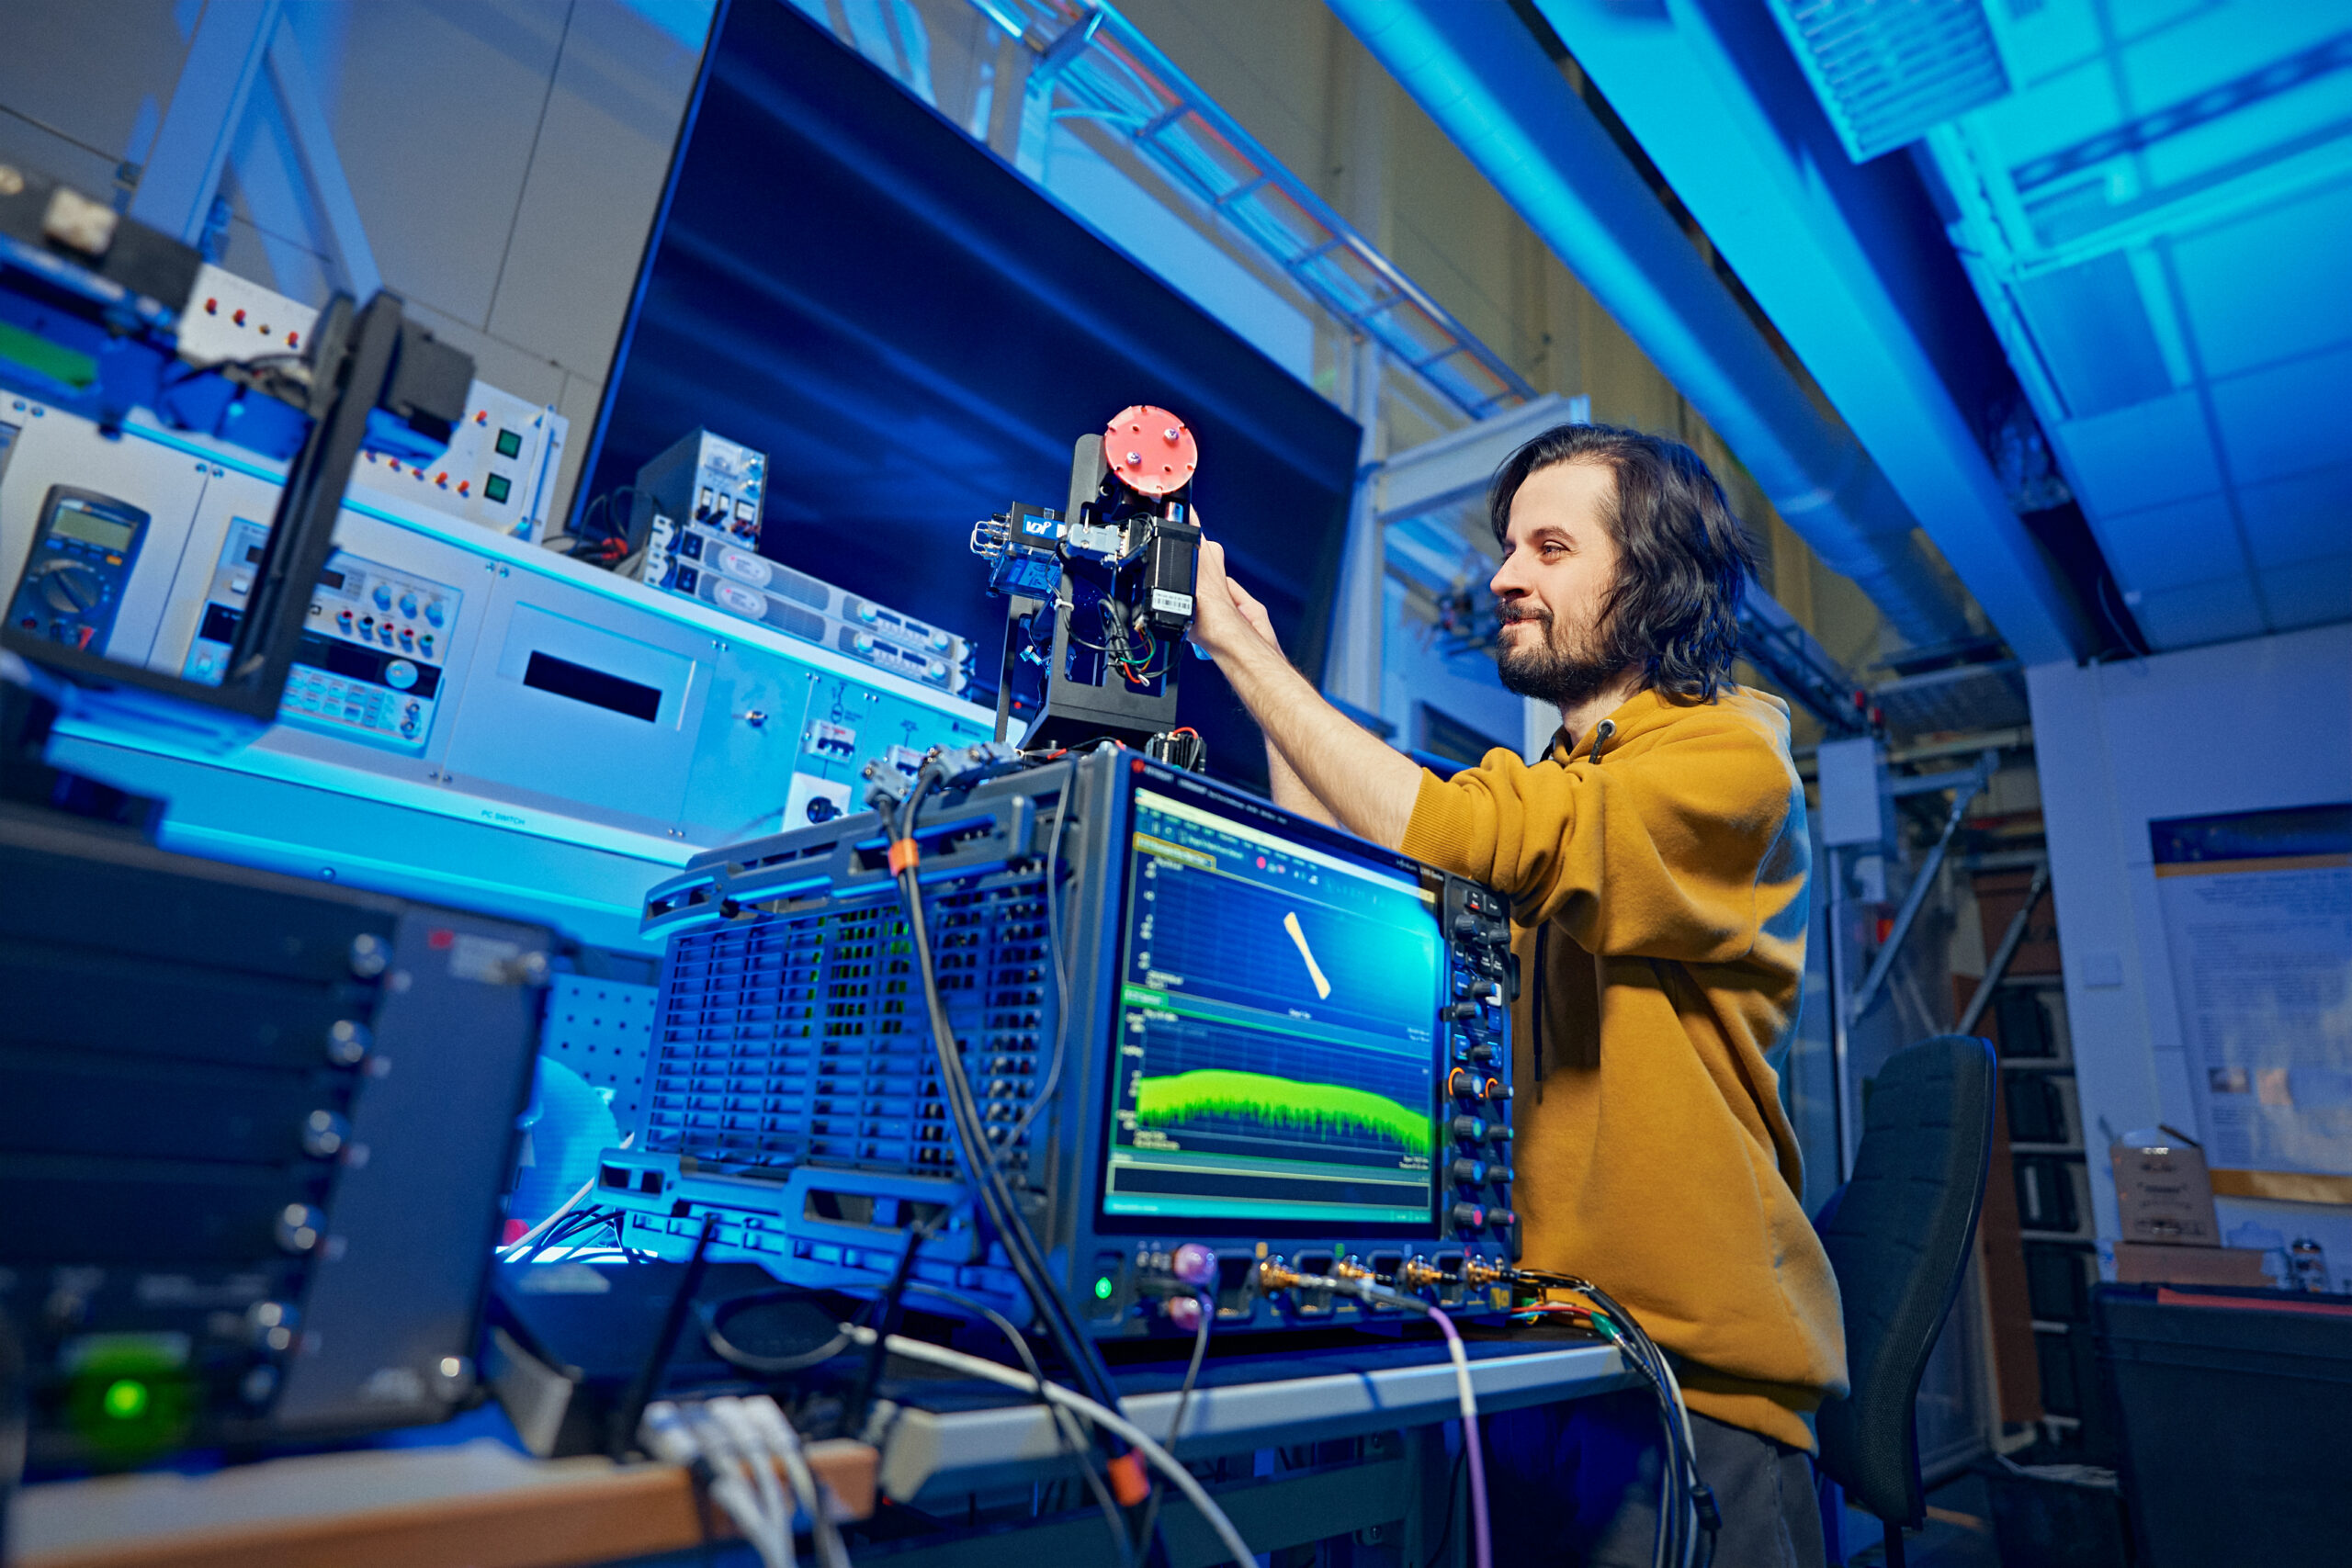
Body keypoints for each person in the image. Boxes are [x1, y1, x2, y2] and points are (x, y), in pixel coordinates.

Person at [1184, 422, 1844, 1567]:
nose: (1502, 575)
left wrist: (1256, 663)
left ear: (1650, 581)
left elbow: (1473, 839)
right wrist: (1249, 656)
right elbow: (1379, 863)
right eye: (1507, 546)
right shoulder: (1555, 783)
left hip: (1676, 1384)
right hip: (1529, 1343)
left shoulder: (1730, 755)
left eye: (1548, 546)